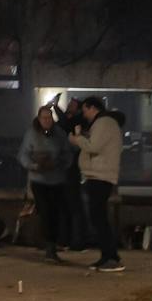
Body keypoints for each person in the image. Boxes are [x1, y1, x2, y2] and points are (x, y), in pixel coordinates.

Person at [68, 96, 125, 272]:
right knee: (97, 217)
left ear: (92, 108)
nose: (84, 115)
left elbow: (93, 147)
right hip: (99, 175)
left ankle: (111, 257)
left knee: (98, 217)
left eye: (85, 110)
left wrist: (76, 139)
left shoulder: (103, 123)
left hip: (100, 176)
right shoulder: (106, 124)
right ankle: (108, 256)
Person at [19, 105, 74, 263]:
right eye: (44, 118)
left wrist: (60, 164)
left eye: (49, 118)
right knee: (45, 211)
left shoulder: (60, 134)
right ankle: (49, 245)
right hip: (39, 180)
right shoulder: (31, 134)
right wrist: (34, 165)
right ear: (39, 118)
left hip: (56, 179)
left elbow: (68, 153)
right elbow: (23, 155)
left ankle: (52, 243)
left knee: (55, 212)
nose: (47, 121)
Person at [57, 98, 91, 251]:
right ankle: (65, 239)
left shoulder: (78, 121)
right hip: (64, 167)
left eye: (72, 104)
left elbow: (66, 124)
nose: (69, 106)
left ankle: (77, 241)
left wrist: (56, 108)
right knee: (65, 205)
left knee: (74, 205)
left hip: (72, 168)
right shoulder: (69, 121)